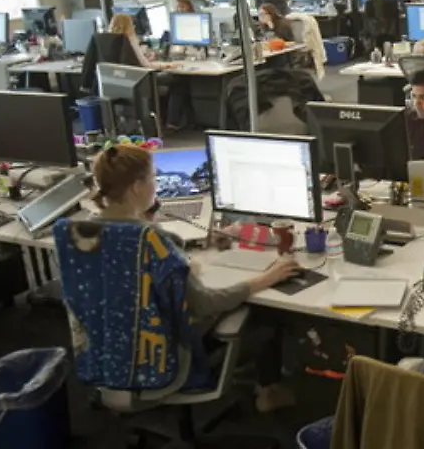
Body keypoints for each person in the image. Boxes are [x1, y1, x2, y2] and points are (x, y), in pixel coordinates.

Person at [89, 144, 300, 413]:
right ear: (137, 187)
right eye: (153, 178)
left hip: (111, 355)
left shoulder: (80, 233)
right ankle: (269, 393)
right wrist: (265, 278)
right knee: (265, 313)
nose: (156, 186)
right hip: (165, 361)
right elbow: (204, 303)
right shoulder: (154, 241)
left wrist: (184, 257)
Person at [166, 0, 197, 130]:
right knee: (179, 83)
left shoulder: (196, 22)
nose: (180, 9)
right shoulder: (175, 24)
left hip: (189, 58)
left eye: (183, 6)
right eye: (178, 7)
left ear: (189, 7)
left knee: (180, 83)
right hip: (178, 60)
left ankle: (178, 121)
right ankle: (178, 121)